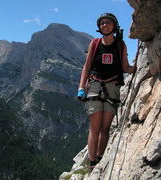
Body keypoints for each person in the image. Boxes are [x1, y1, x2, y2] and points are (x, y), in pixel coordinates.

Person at [77, 12, 135, 172]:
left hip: (113, 87)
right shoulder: (94, 44)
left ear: (114, 26)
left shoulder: (120, 45)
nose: (104, 25)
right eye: (102, 23)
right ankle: (92, 162)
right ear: (99, 27)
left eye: (108, 22)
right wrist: (81, 88)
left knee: (105, 127)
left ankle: (100, 158)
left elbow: (125, 67)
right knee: (95, 128)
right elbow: (87, 67)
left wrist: (137, 66)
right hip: (95, 86)